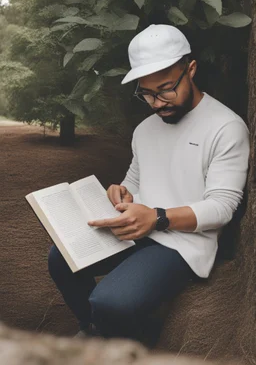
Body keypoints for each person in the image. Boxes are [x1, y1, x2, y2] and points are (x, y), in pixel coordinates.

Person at [48, 24, 250, 341]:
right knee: (61, 257)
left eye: (166, 88)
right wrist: (123, 194)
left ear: (191, 69)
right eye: (147, 93)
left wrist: (156, 217)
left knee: (111, 301)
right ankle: (93, 330)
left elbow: (222, 207)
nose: (156, 103)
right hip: (141, 226)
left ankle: (126, 339)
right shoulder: (145, 129)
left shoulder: (226, 127)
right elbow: (135, 183)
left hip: (184, 241)